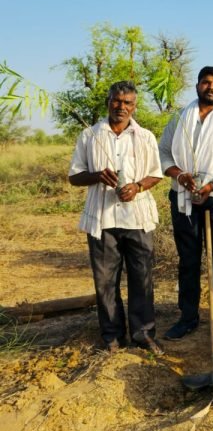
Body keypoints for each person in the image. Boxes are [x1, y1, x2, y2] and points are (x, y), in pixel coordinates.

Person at [68, 81, 164, 355]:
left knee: (142, 278)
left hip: (138, 218)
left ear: (134, 106)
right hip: (103, 219)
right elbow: (74, 176)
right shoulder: (90, 135)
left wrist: (137, 187)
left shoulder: (145, 136)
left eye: (128, 103)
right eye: (117, 101)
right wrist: (98, 175)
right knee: (106, 280)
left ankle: (143, 334)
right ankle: (112, 336)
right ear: (108, 102)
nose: (122, 107)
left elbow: (156, 173)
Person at [159, 66, 213, 343]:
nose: (211, 87)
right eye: (206, 82)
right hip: (184, 197)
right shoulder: (179, 118)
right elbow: (163, 152)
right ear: (197, 85)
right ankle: (188, 317)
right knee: (188, 260)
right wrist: (180, 176)